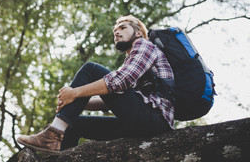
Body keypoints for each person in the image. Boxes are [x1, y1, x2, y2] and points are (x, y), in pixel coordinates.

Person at [17, 15, 175, 155]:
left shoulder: (144, 45)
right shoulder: (131, 61)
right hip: (139, 123)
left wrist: (75, 93)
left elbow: (120, 81)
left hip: (154, 119)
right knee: (74, 124)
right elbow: (109, 101)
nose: (117, 33)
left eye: (123, 28)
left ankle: (52, 133)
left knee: (90, 69)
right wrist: (76, 103)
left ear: (139, 32)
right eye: (115, 32)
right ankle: (55, 148)